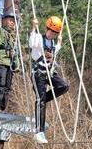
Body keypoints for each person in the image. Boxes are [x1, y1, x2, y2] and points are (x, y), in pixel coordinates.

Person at [30, 16, 69, 144]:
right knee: (40, 101)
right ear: (47, 29)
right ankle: (39, 131)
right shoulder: (39, 39)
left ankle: (42, 99)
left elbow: (55, 52)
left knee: (63, 86)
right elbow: (32, 43)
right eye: (51, 32)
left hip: (49, 73)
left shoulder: (52, 43)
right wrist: (33, 28)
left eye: (55, 33)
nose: (52, 34)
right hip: (39, 74)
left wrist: (59, 44)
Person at [0, 10, 19, 113]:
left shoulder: (13, 36)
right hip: (1, 61)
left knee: (7, 86)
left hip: (9, 64)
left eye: (14, 21)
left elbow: (15, 52)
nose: (12, 23)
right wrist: (8, 51)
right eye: (10, 20)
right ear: (4, 20)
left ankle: (1, 107)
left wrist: (16, 64)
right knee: (0, 83)